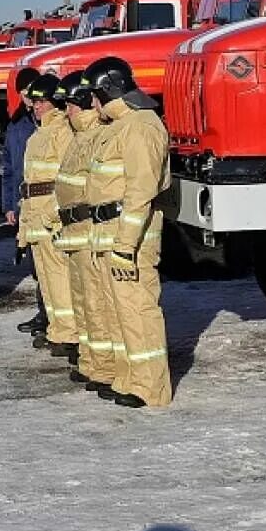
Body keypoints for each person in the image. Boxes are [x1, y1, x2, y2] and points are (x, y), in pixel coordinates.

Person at [81, 57, 172, 408]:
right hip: (108, 233)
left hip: (129, 238)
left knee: (137, 311)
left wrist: (125, 244)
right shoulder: (120, 126)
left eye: (94, 96)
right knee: (118, 312)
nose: (91, 104)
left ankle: (150, 388)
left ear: (108, 91)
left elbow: (140, 190)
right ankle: (127, 377)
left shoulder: (141, 126)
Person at [53, 70, 112, 391]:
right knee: (83, 302)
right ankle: (92, 362)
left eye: (70, 107)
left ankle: (103, 367)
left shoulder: (96, 137)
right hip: (75, 230)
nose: (65, 113)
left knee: (97, 303)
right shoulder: (79, 137)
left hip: (89, 231)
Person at [18, 74, 79, 360]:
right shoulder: (38, 134)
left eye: (42, 101)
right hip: (35, 214)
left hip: (51, 215)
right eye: (35, 101)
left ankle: (70, 333)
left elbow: (66, 178)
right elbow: (29, 181)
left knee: (60, 277)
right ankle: (58, 329)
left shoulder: (62, 132)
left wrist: (58, 214)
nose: (36, 106)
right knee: (46, 278)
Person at [4, 67, 44, 336]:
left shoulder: (49, 120)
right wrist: (9, 203)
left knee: (49, 267)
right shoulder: (17, 124)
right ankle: (44, 312)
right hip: (23, 202)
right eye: (24, 90)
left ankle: (52, 317)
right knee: (35, 264)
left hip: (45, 204)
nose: (27, 95)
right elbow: (9, 166)